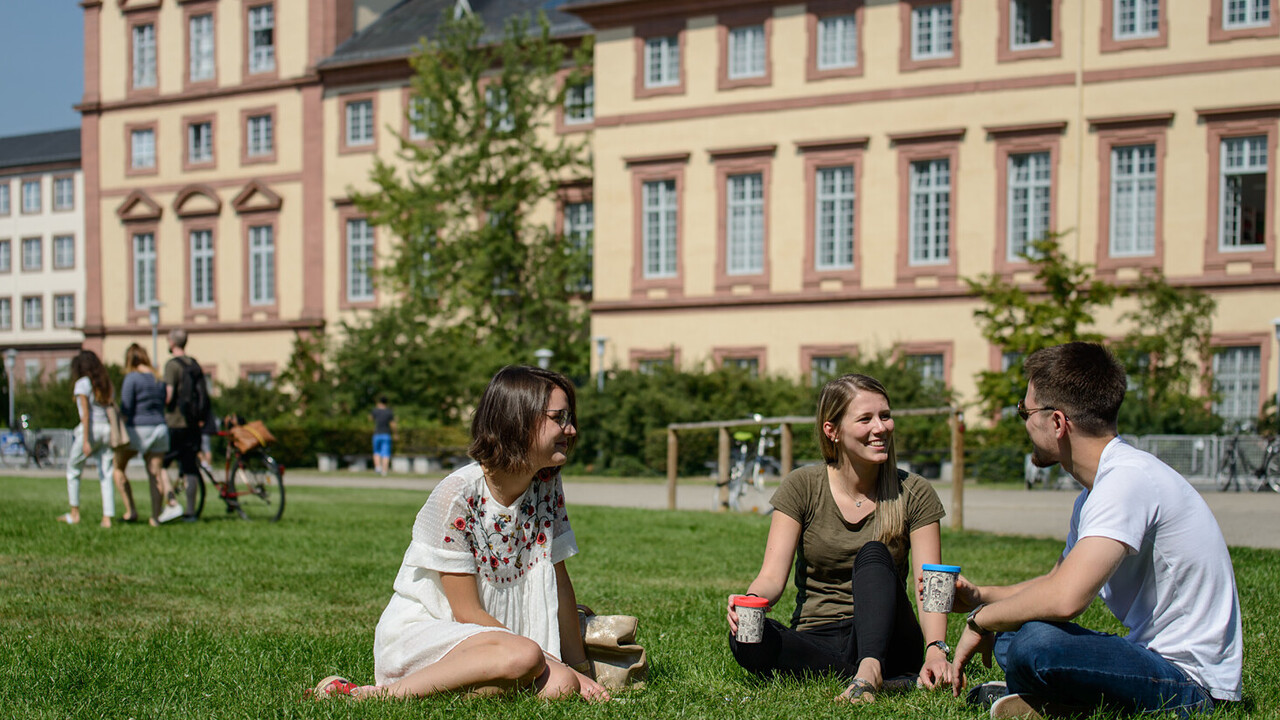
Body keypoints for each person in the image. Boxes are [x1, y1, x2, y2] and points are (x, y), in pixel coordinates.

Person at [948, 343, 1242, 719]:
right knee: (1016, 632)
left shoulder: (1127, 481)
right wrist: (981, 598)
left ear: (1057, 423)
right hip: (1150, 662)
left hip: (1190, 683)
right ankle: (1060, 702)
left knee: (1034, 642)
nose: (1023, 421)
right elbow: (1055, 579)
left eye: (1025, 411)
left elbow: (1065, 599)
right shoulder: (1098, 489)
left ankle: (1059, 700)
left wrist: (980, 620)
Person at [311, 366, 610, 702]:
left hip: (503, 646)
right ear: (518, 420)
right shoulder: (457, 494)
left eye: (570, 417)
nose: (570, 429)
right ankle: (375, 696)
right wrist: (554, 661)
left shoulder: (546, 484)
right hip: (433, 636)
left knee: (560, 688)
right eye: (559, 417)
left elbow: (559, 582)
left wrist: (580, 670)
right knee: (527, 659)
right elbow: (466, 612)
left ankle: (435, 695)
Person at [726, 373, 953, 703]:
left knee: (874, 554)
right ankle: (881, 679)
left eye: (885, 416)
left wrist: (936, 650)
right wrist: (747, 604)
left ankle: (871, 669)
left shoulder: (914, 492)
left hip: (889, 637)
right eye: (866, 419)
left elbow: (930, 584)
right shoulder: (802, 485)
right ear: (831, 430)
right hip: (818, 635)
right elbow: (771, 578)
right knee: (747, 637)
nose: (881, 428)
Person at [117, 343, 184, 526]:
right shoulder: (158, 378)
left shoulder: (132, 378)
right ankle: (155, 518)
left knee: (117, 468)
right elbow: (164, 401)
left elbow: (126, 407)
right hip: (160, 428)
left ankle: (131, 510)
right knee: (155, 474)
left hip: (137, 428)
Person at [59, 350, 118, 528]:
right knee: (106, 473)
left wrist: (85, 440)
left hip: (91, 430)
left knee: (73, 469)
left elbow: (85, 414)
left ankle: (74, 513)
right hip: (106, 430)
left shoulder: (82, 384)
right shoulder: (106, 383)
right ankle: (107, 518)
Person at [162, 328, 207, 522]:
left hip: (175, 422)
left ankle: (172, 502)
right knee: (190, 467)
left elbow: (169, 395)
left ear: (172, 342)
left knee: (160, 464)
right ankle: (190, 512)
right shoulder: (194, 364)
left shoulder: (172, 365)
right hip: (193, 423)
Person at [371, 396, 396, 476]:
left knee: (376, 451)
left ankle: (378, 467)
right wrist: (395, 433)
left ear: (379, 402)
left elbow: (370, 418)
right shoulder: (389, 412)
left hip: (377, 434)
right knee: (386, 453)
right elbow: (393, 424)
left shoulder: (375, 411)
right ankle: (384, 471)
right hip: (386, 434)